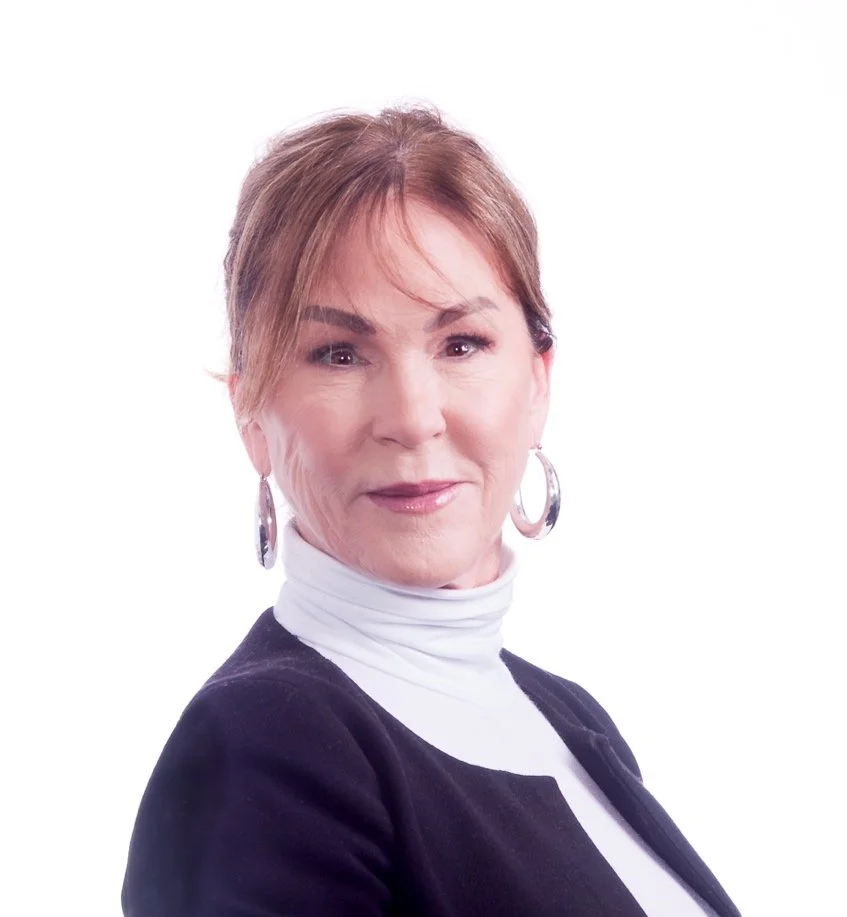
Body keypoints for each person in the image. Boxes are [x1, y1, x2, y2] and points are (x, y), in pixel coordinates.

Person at [121, 106, 741, 917]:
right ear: (252, 416)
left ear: (538, 379)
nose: (413, 417)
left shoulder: (568, 718)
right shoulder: (261, 748)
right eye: (339, 354)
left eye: (461, 344)